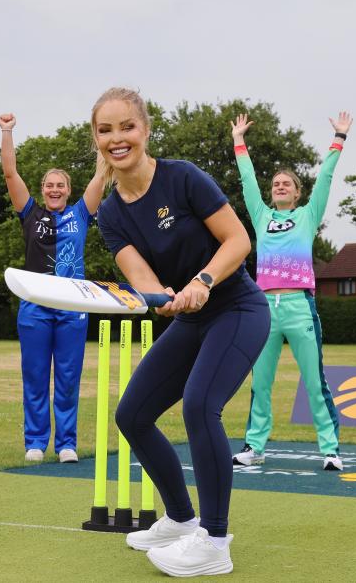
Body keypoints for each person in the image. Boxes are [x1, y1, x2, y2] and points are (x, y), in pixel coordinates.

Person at [92, 88, 269, 577]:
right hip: (191, 318)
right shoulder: (110, 213)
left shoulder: (184, 177)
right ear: (97, 140)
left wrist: (203, 281)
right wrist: (165, 301)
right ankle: (179, 519)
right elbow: (143, 280)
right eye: (106, 131)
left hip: (237, 308)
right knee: (132, 414)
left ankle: (214, 542)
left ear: (145, 130)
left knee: (199, 405)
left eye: (126, 126)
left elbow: (238, 240)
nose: (117, 138)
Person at [230, 112, 353, 471]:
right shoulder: (261, 215)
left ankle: (330, 450)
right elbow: (247, 179)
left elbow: (326, 178)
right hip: (264, 306)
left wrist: (339, 138)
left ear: (298, 193)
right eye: (276, 184)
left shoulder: (308, 215)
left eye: (287, 184)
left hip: (300, 305)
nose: (279, 186)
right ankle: (255, 447)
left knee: (316, 383)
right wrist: (239, 139)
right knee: (261, 383)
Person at [0, 113, 106, 463]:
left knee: (68, 378)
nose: (55, 190)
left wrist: (103, 135)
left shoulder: (81, 213)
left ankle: (66, 444)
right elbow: (11, 173)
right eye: (49, 185)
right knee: (34, 376)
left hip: (74, 306)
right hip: (34, 306)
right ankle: (35, 442)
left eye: (60, 185)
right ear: (42, 191)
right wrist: (7, 132)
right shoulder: (30, 214)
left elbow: (102, 173)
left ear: (69, 191)